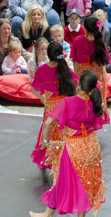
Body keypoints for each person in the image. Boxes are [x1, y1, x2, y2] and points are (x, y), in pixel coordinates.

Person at [29, 70, 106, 217]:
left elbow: (47, 124)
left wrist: (46, 142)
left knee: (63, 180)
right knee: (85, 182)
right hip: (91, 146)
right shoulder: (94, 103)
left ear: (77, 85)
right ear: (91, 89)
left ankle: (47, 213)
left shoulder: (66, 102)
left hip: (73, 148)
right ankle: (59, 214)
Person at [30, 42, 79, 170]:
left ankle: (49, 159)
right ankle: (63, 159)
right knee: (63, 132)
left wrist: (44, 99)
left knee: (48, 131)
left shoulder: (42, 69)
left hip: (51, 108)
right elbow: (77, 84)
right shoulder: (65, 69)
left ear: (48, 54)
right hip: (65, 107)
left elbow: (33, 89)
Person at [71, 15, 111, 121]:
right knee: (96, 100)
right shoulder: (100, 43)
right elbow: (103, 64)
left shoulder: (77, 40)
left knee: (83, 100)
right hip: (96, 77)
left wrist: (77, 79)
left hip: (82, 76)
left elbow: (74, 61)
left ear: (84, 27)